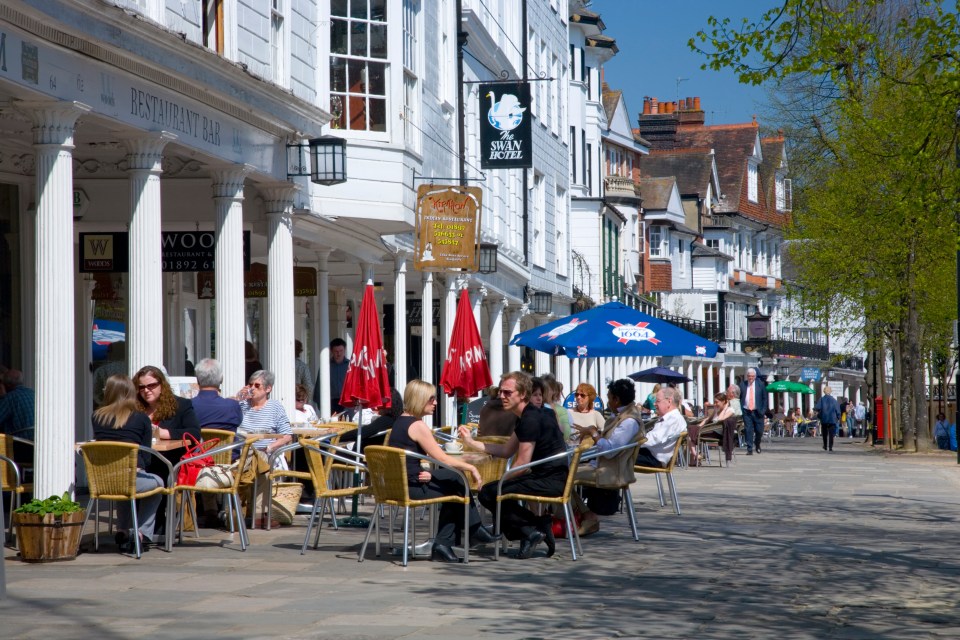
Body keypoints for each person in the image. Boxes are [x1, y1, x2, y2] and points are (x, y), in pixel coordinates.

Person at [460, 371, 568, 559]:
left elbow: (522, 464)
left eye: (507, 393)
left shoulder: (530, 419)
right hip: (549, 476)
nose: (501, 396)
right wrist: (470, 442)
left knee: (489, 492)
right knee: (491, 491)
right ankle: (534, 528)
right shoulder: (529, 415)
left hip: (550, 480)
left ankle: (532, 529)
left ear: (523, 394)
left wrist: (501, 482)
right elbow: (506, 451)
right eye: (501, 391)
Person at [390, 380, 496, 562]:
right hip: (412, 487)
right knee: (457, 479)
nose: (436, 403)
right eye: (431, 399)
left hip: (401, 483)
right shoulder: (417, 425)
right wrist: (471, 467)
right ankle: (471, 530)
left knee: (453, 486)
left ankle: (446, 543)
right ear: (419, 399)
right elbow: (443, 458)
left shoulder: (400, 421)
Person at [92, 375, 164, 551]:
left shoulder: (97, 417)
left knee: (124, 484)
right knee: (158, 484)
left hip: (102, 479)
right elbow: (147, 457)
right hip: (130, 476)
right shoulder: (141, 419)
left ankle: (123, 529)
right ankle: (140, 532)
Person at [570, 378, 644, 536]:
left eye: (609, 397)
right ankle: (582, 516)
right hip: (604, 465)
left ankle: (586, 517)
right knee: (561, 473)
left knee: (563, 477)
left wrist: (593, 432)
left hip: (612, 471)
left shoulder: (629, 421)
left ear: (616, 399)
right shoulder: (623, 415)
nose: (608, 401)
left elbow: (610, 451)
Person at [237, 369, 294, 526]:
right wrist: (236, 398)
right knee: (248, 462)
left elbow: (287, 435)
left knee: (261, 463)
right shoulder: (241, 405)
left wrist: (269, 447)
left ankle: (257, 514)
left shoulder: (275, 407)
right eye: (250, 385)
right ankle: (247, 513)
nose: (252, 388)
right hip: (242, 451)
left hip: (265, 451)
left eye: (257, 385)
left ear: (268, 389)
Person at [133, 365, 201, 441]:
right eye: (141, 387)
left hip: (170, 452)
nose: (146, 390)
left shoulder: (181, 405)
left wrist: (162, 433)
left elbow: (195, 433)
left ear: (162, 386)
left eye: (151, 385)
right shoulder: (135, 408)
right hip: (143, 451)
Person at [634, 386, 687, 468]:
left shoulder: (673, 419)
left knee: (616, 456)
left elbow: (654, 438)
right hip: (650, 454)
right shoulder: (671, 417)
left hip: (653, 458)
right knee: (614, 453)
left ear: (669, 401)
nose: (654, 404)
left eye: (657, 401)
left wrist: (631, 442)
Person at [338, 388, 404, 453]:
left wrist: (338, 437)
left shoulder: (386, 421)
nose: (377, 405)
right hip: (371, 456)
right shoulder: (397, 419)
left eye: (380, 402)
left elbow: (362, 433)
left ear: (387, 405)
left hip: (362, 459)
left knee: (329, 452)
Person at [190, 358, 243, 433]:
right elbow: (239, 422)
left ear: (197, 380)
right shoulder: (232, 406)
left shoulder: (188, 406)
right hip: (227, 445)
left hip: (198, 444)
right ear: (221, 379)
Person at [0, 369, 35, 464]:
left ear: (6, 385)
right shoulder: (34, 393)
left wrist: (3, 397)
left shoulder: (10, 398)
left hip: (22, 446)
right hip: (39, 444)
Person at [697, 392, 737, 463]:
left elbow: (720, 420)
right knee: (693, 433)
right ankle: (697, 455)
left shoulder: (730, 410)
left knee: (695, 435)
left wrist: (724, 409)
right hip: (711, 430)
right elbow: (707, 419)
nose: (715, 404)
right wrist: (699, 426)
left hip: (720, 434)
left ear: (724, 401)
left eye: (717, 402)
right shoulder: (716, 409)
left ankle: (697, 455)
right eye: (714, 402)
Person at [314, 337, 350, 413]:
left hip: (347, 402)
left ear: (345, 350)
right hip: (330, 403)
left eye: (341, 351)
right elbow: (319, 386)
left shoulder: (350, 366)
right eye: (336, 351)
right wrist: (321, 405)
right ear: (331, 351)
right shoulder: (325, 365)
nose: (339, 354)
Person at [738, 368, 767, 455]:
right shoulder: (742, 385)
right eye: (749, 376)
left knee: (759, 431)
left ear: (755, 376)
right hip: (746, 411)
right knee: (748, 430)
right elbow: (739, 397)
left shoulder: (760, 385)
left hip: (758, 411)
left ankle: (757, 443)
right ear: (747, 376)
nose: (750, 378)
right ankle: (749, 448)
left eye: (752, 376)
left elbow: (765, 399)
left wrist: (763, 410)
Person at [93, 341, 126, 408]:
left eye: (108, 351)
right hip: (129, 406)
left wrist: (103, 403)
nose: (106, 353)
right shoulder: (132, 367)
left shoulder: (102, 370)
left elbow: (96, 393)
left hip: (108, 406)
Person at [814, 385, 841, 452]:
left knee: (824, 433)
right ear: (830, 392)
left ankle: (825, 445)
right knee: (831, 434)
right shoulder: (834, 400)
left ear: (824, 391)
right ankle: (830, 447)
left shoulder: (822, 399)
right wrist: (838, 417)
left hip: (824, 418)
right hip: (832, 419)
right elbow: (837, 410)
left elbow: (817, 408)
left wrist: (817, 412)